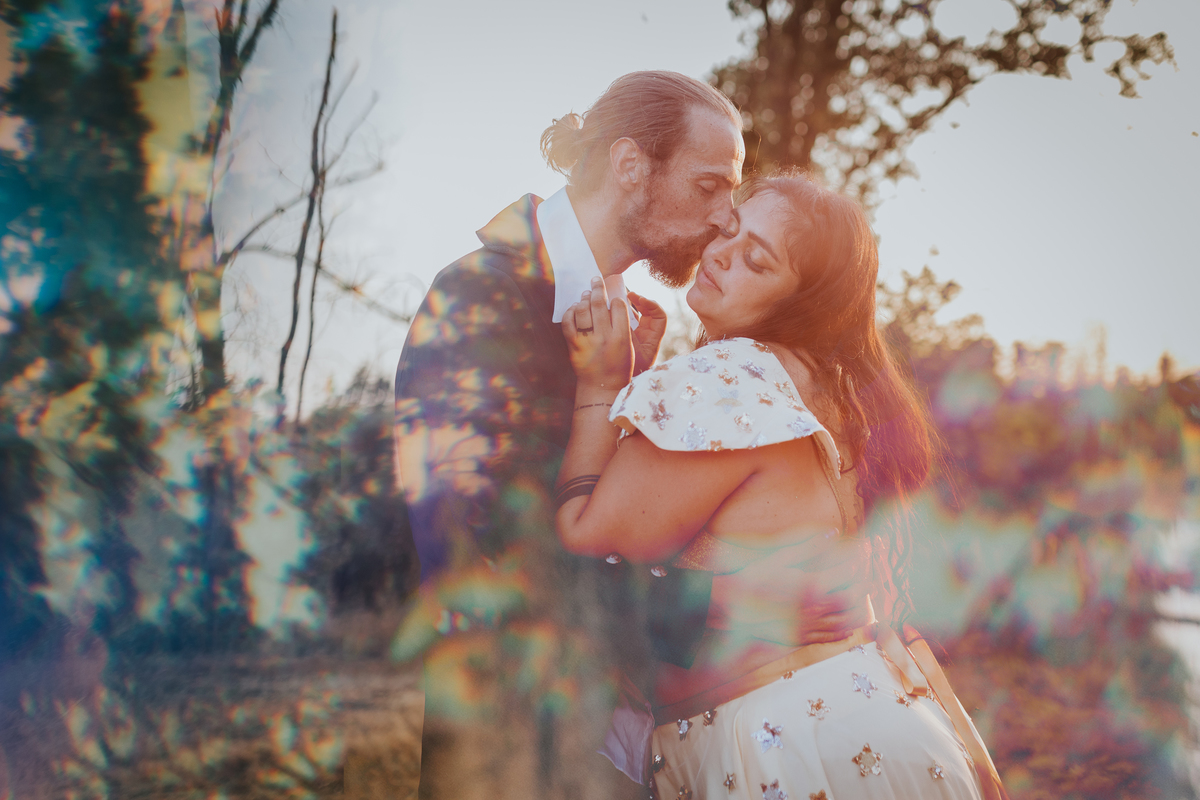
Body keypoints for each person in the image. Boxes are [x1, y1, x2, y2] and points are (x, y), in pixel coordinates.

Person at [394, 71, 833, 799]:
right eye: (709, 186)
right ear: (631, 166)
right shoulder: (476, 297)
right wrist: (725, 608)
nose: (727, 219)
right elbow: (485, 551)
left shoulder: (627, 326)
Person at [555, 172, 1010, 800]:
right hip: (879, 727)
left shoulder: (726, 379)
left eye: (756, 261)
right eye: (731, 229)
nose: (719, 253)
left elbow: (584, 535)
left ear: (799, 303)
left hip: (785, 750)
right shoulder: (833, 390)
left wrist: (602, 386)